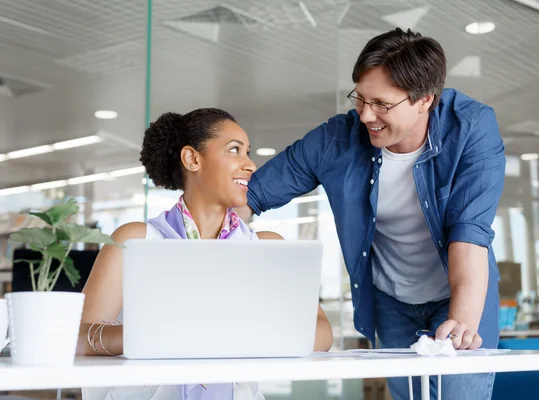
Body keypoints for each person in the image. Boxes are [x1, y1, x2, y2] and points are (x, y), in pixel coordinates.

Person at [242, 28, 505, 400]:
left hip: (459, 291)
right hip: (390, 298)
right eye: (360, 99)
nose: (366, 115)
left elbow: (469, 231)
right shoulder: (336, 139)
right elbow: (250, 195)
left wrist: (461, 322)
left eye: (382, 104)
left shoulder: (471, 128)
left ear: (424, 99)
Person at [76, 108, 334, 399]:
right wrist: (148, 336)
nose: (250, 164)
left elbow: (322, 331)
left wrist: (238, 335)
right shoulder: (137, 240)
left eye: (247, 152)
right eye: (234, 150)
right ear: (192, 159)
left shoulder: (266, 247)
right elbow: (79, 338)